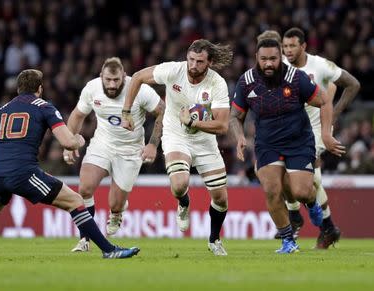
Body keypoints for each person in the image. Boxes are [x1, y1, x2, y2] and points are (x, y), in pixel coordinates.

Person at [0, 69, 139, 259]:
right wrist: (79, 140)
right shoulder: (44, 107)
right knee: (76, 201)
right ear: (40, 88)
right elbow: (68, 142)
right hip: (23, 171)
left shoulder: (1, 111)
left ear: (18, 89)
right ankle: (108, 250)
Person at [229, 39, 345, 254]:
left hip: (298, 141)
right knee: (272, 191)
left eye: (273, 58)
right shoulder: (246, 81)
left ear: (280, 57)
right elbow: (235, 116)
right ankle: (288, 241)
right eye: (264, 59)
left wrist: (327, 134)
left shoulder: (295, 78)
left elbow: (325, 100)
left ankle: (312, 204)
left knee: (302, 192)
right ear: (257, 58)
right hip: (267, 144)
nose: (269, 64)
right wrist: (239, 137)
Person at [121, 39, 233, 256]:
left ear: (209, 62)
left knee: (220, 198)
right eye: (191, 59)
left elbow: (222, 126)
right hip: (175, 135)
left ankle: (214, 239)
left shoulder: (217, 84)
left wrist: (195, 123)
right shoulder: (173, 71)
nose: (193, 65)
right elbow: (137, 77)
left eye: (199, 62)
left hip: (205, 141)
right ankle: (183, 203)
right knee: (179, 185)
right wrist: (126, 112)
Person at [63, 57, 164, 252]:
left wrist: (152, 144)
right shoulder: (92, 88)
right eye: (108, 80)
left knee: (115, 203)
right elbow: (77, 115)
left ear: (124, 77)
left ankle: (117, 212)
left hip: (130, 150)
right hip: (102, 144)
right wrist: (69, 143)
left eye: (116, 80)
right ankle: (85, 239)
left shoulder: (140, 89)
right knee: (85, 189)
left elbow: (162, 111)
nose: (111, 84)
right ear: (101, 76)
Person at [282, 27, 360, 248]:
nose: (288, 51)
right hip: (289, 129)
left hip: (317, 129)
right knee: (303, 178)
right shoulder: (281, 67)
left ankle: (297, 217)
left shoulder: (321, 66)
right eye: (285, 46)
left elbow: (353, 84)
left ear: (303, 46)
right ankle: (328, 227)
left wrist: (333, 115)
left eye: (292, 46)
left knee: (306, 176)